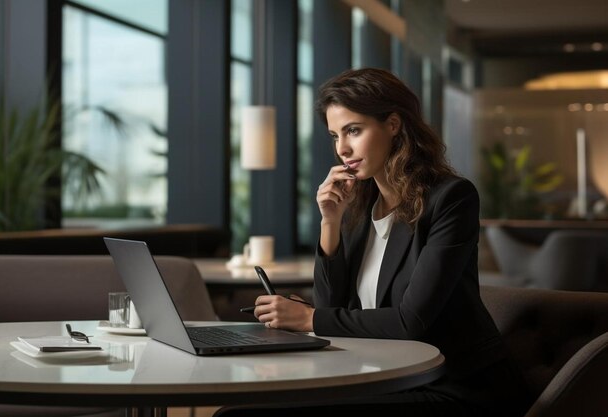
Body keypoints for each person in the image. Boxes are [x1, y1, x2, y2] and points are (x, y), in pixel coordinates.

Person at [215, 68, 531, 417]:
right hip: (385, 377)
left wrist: (308, 319)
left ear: (393, 124)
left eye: (354, 130)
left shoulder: (451, 199)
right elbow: (332, 305)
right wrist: (330, 222)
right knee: (240, 409)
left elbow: (410, 322)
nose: (342, 148)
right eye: (335, 135)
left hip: (456, 389)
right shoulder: (358, 207)